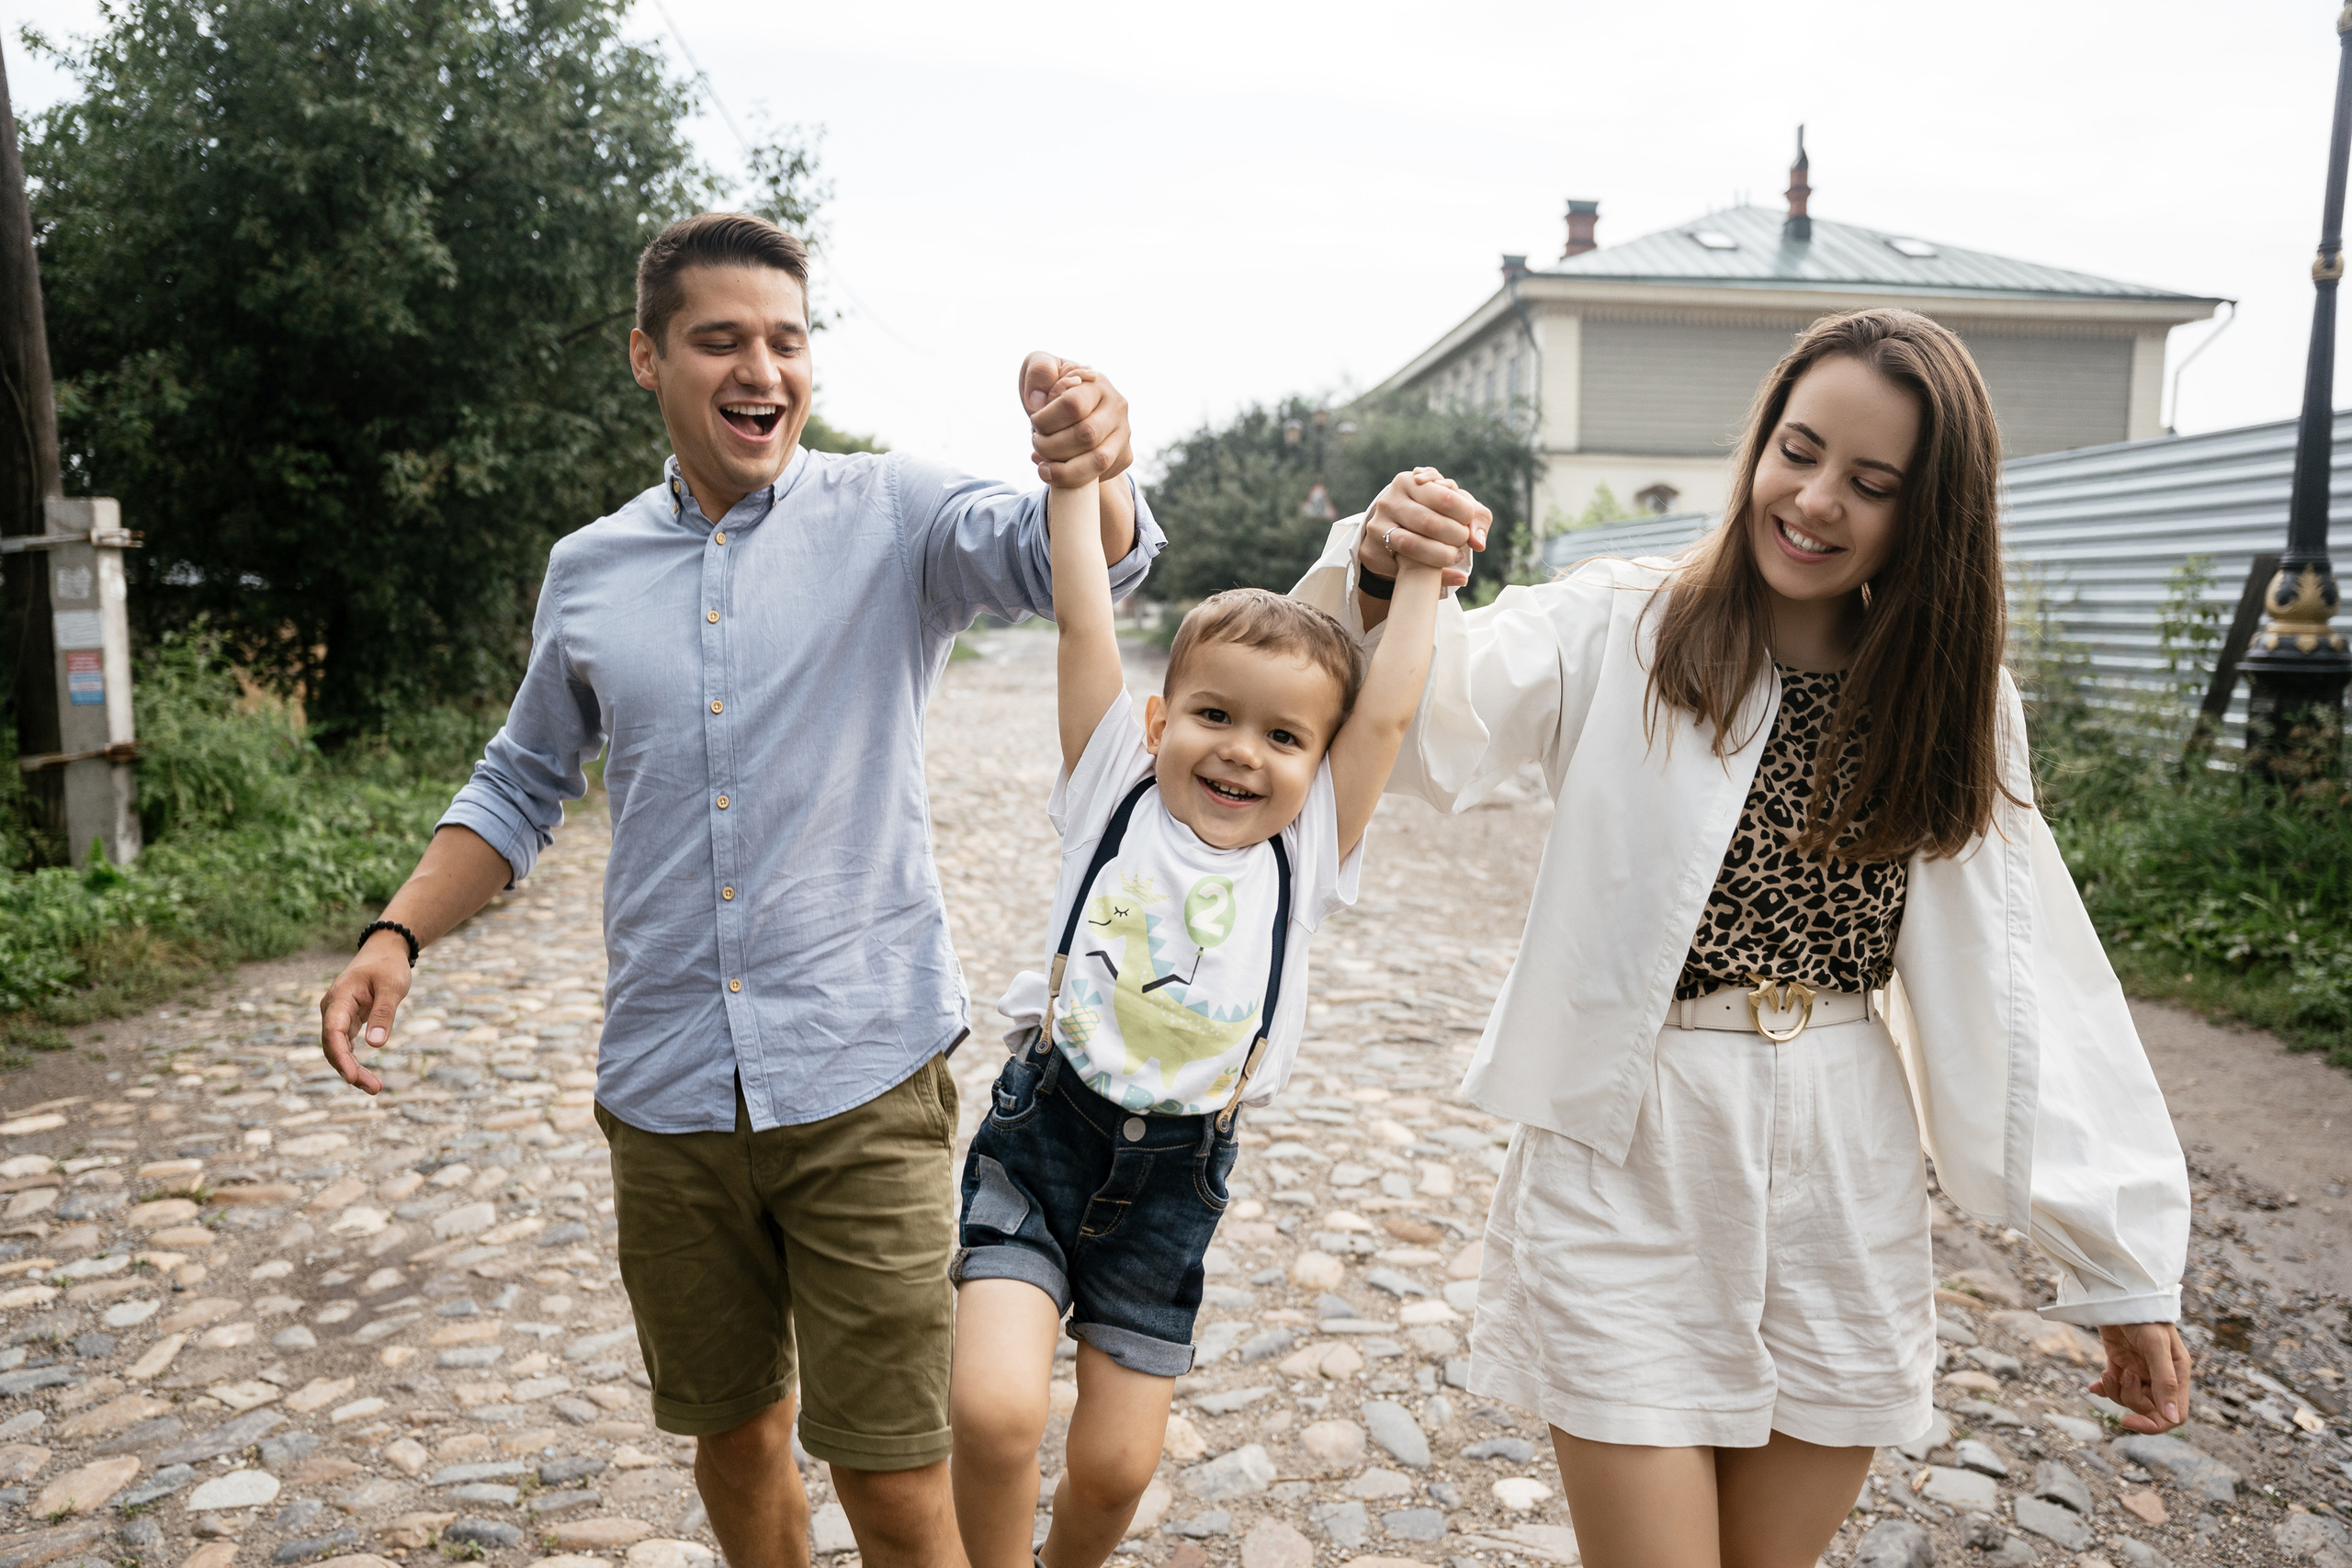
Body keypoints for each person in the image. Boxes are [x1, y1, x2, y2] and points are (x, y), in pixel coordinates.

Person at [317, 212, 1161, 1568]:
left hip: (862, 1069)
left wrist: (1094, 464)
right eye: (721, 339)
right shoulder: (588, 571)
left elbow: (1079, 556)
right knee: (738, 1435)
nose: (759, 365)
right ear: (647, 358)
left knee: (894, 1477)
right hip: (666, 1090)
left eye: (784, 338)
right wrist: (397, 928)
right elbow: (520, 780)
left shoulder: (891, 516)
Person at [1293, 308, 2193, 1568]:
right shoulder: (1626, 623)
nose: (1816, 500)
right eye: (1799, 449)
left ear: (1929, 512)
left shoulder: (1951, 695)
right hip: (1629, 1147)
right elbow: (1414, 721)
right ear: (1759, 440)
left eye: (1872, 483)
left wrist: (2124, 1269)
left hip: (1845, 1168)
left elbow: (2031, 968)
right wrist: (1386, 566)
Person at [945, 406, 1451, 1568]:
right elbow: (1085, 616)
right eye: (1215, 716)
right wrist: (1075, 485)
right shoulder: (1108, 787)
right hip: (1045, 1138)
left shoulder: (1309, 845)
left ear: (1316, 769)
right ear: (1160, 719)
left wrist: (1420, 567)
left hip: (1175, 1181)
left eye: (1283, 737)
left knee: (1118, 1467)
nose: (1240, 751)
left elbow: (1387, 705)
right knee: (995, 1411)